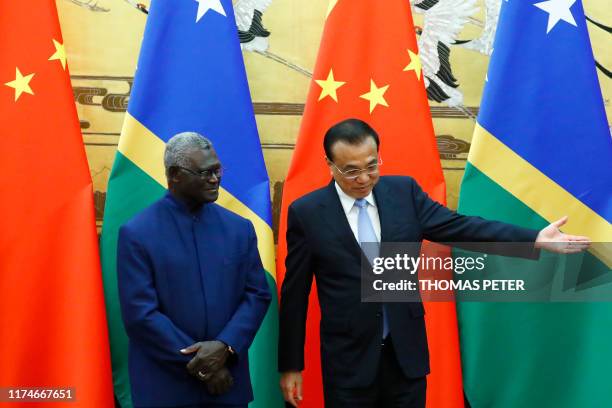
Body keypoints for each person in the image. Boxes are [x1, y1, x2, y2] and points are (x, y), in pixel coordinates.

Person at [277, 118, 590, 408]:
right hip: (349, 361)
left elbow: (464, 228)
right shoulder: (308, 212)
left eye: (372, 166)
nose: (363, 178)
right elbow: (295, 294)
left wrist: (534, 238)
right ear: (330, 165)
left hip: (406, 356)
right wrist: (290, 364)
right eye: (350, 170)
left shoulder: (403, 193)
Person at [117, 132, 272, 408]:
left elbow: (257, 294)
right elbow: (140, 315)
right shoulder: (137, 233)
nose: (215, 179)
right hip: (166, 388)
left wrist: (225, 346)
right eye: (204, 172)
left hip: (227, 386)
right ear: (175, 174)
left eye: (217, 170)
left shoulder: (239, 229)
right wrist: (205, 365)